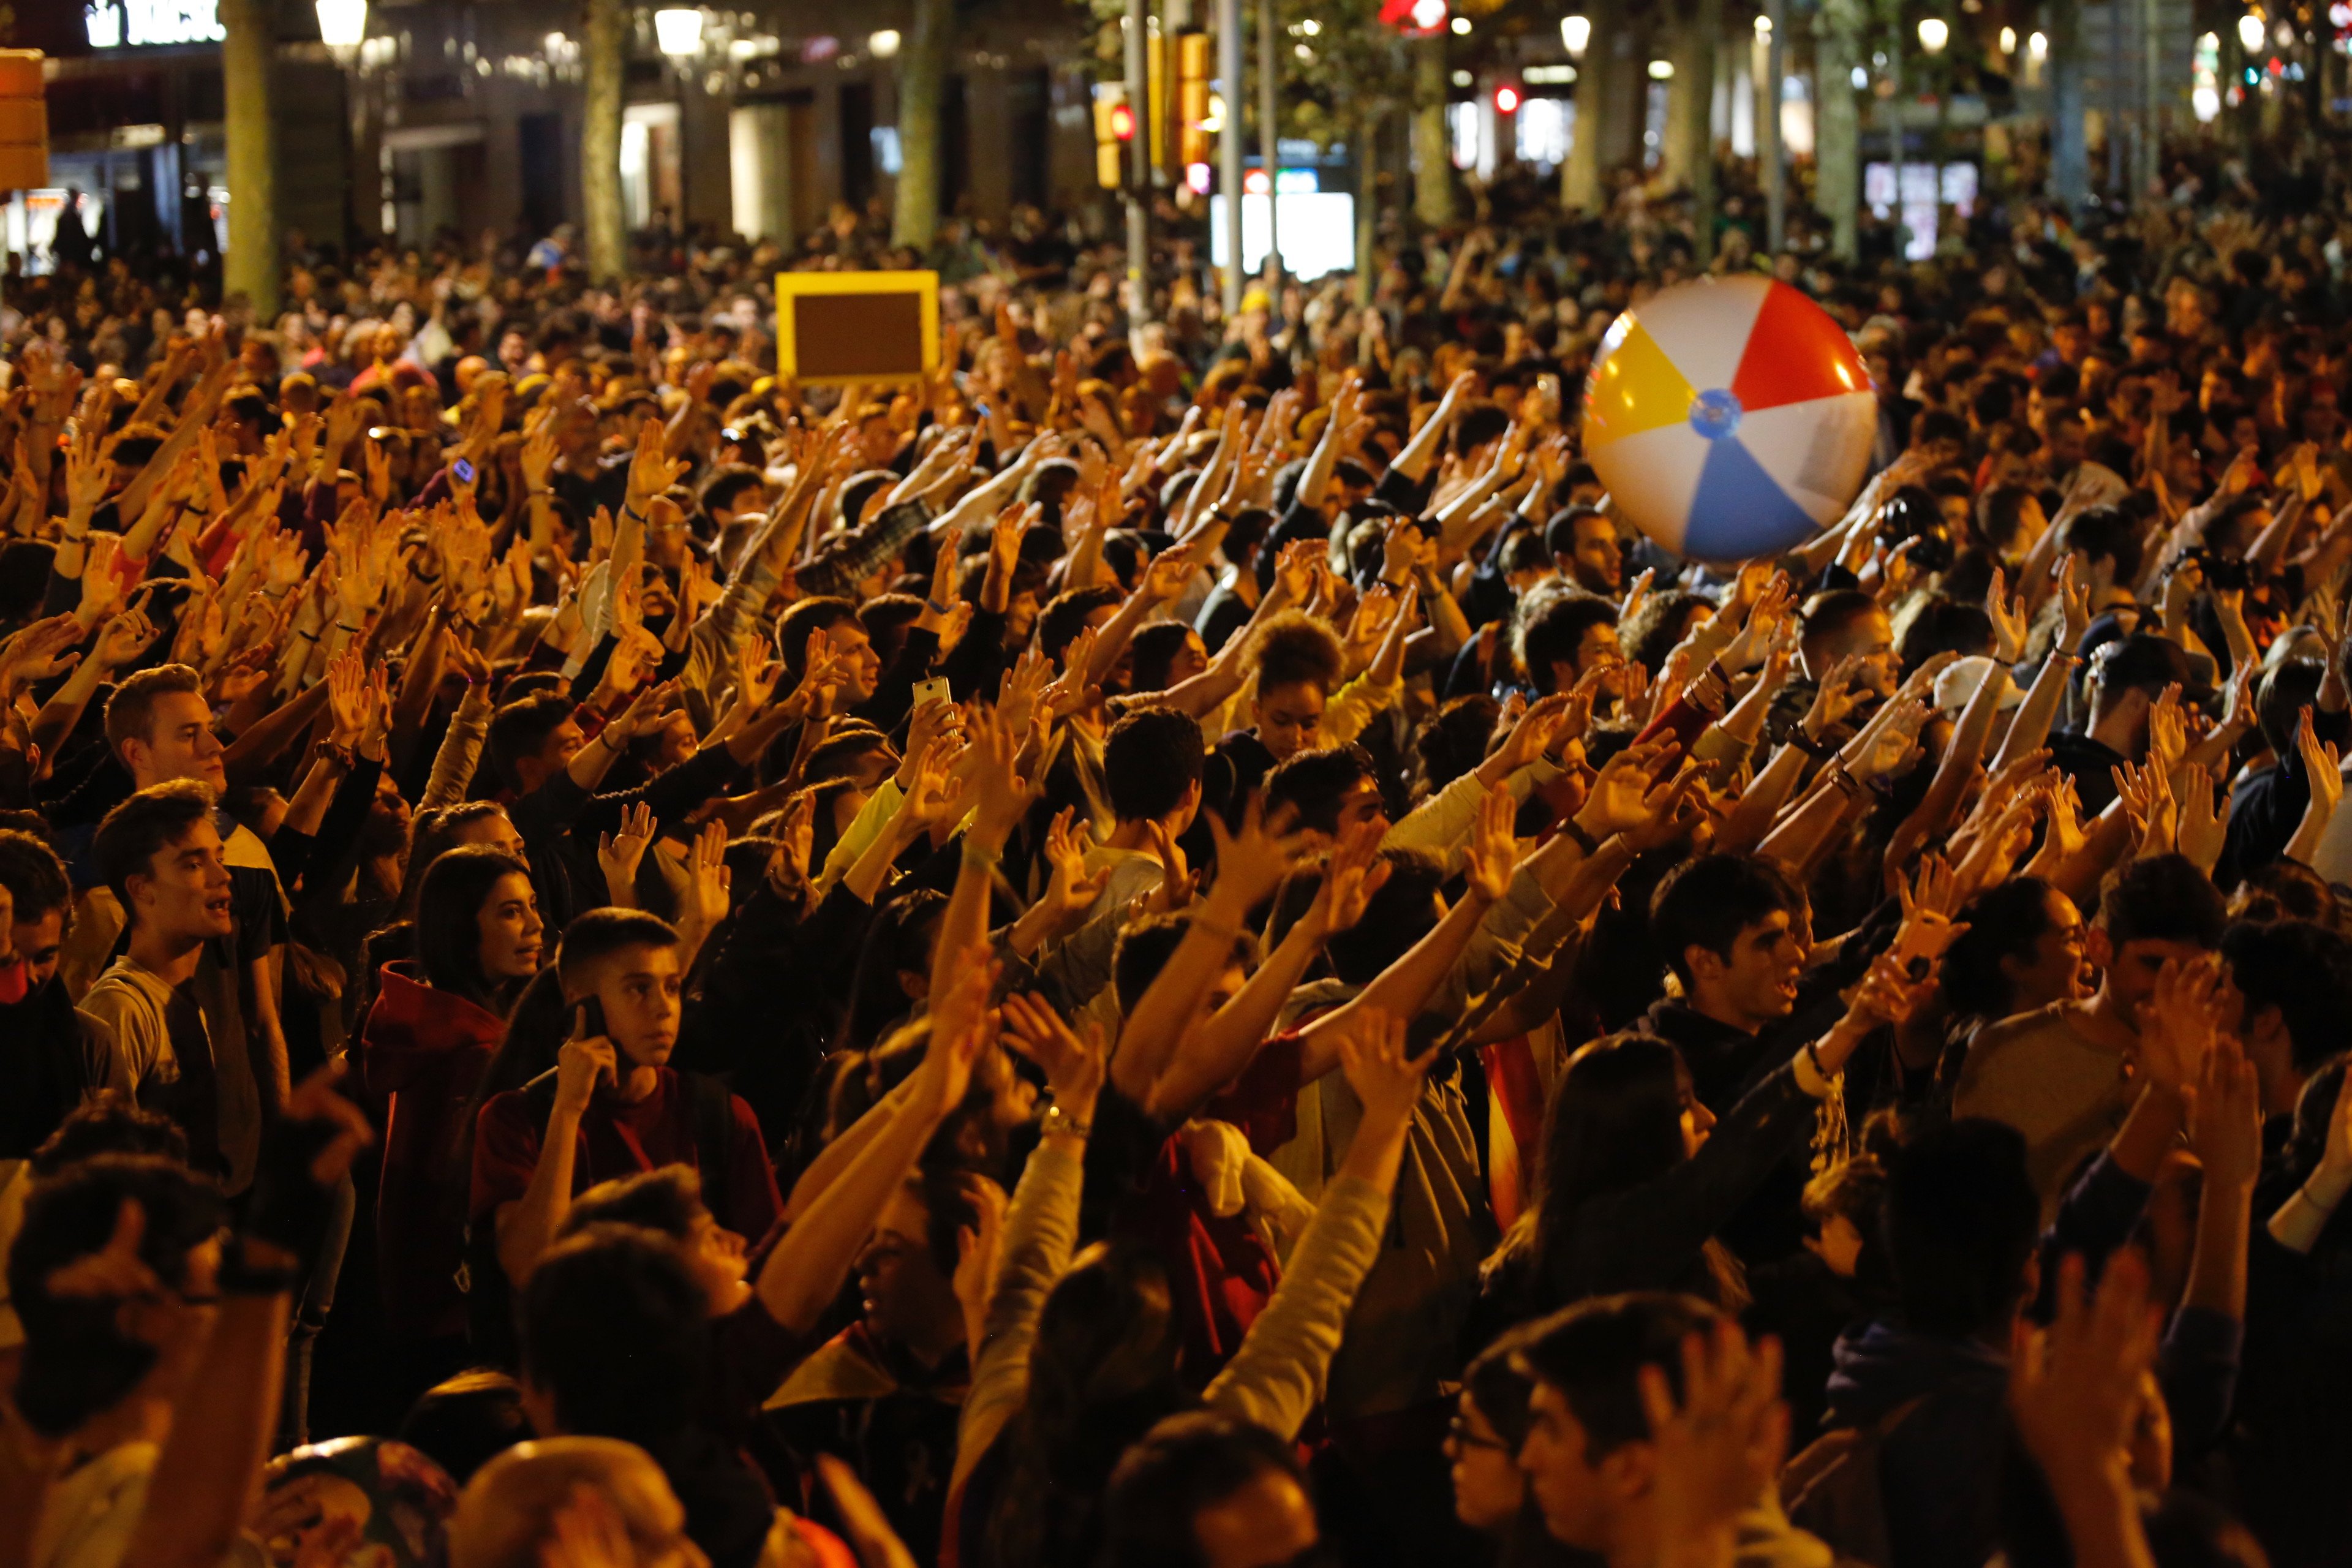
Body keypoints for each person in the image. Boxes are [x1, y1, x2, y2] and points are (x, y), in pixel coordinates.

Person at [1953, 854, 2227, 1210]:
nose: (2169, 989)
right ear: (2100, 947)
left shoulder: (2220, 1070)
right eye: (2154, 965)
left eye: (2192, 974)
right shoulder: (2005, 1055)